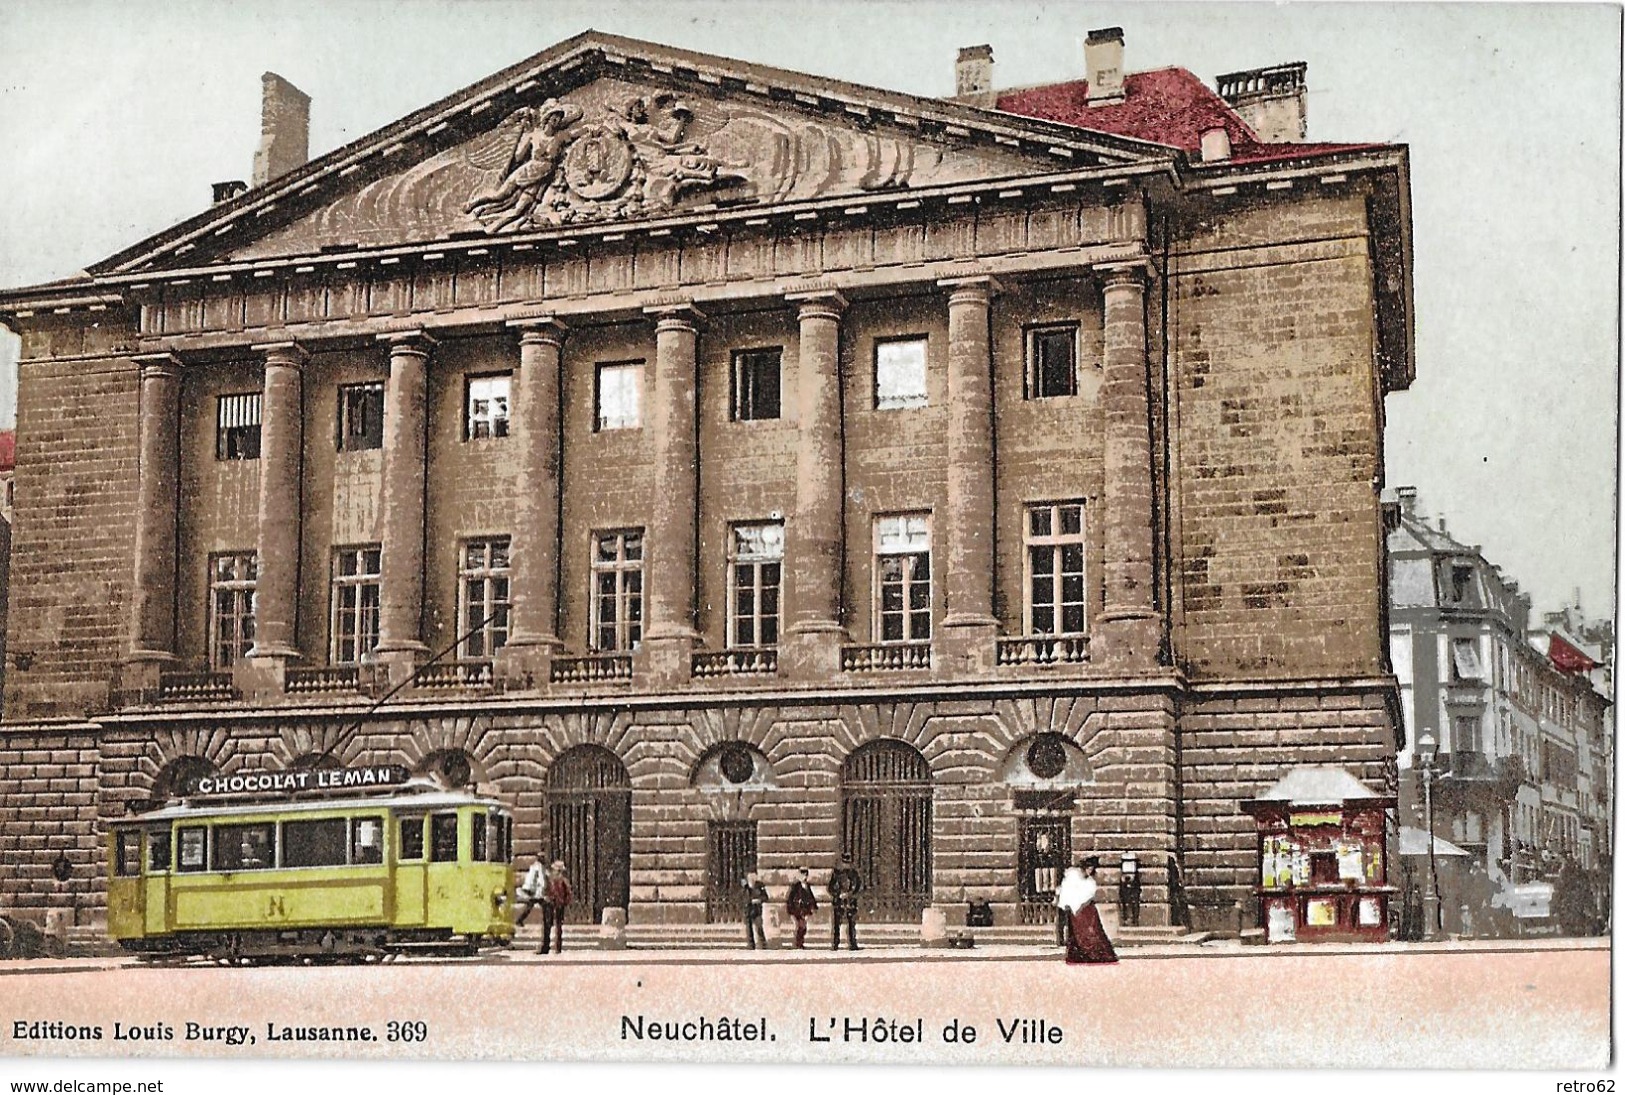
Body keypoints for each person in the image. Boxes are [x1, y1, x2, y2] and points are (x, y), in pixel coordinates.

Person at [1057, 857, 1118, 965]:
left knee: (1093, 930)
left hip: (1087, 909)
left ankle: (1095, 954)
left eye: (1092, 869)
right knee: (1078, 932)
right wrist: (1069, 905)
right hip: (1075, 908)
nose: (1090, 871)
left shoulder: (1090, 882)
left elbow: (1089, 895)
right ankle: (1079, 955)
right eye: (1088, 868)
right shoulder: (1073, 876)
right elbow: (1067, 891)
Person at [827, 856, 863, 951]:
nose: (846, 865)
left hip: (850, 901)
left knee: (851, 924)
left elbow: (858, 887)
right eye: (844, 862)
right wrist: (838, 894)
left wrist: (850, 894)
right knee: (837, 924)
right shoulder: (836, 874)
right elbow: (830, 888)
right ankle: (835, 943)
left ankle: (852, 943)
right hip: (839, 902)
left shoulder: (854, 875)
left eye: (848, 862)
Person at [539, 859, 572, 955]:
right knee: (548, 926)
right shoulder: (550, 880)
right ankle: (547, 946)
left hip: (558, 904)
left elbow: (568, 894)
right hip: (551, 903)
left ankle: (557, 947)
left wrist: (563, 902)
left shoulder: (562, 882)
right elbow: (545, 890)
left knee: (557, 926)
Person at [786, 867, 818, 949]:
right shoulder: (795, 886)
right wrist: (790, 909)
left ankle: (800, 942)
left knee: (803, 927)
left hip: (805, 909)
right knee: (801, 926)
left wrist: (814, 906)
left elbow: (811, 896)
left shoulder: (807, 885)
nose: (804, 876)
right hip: (798, 909)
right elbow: (791, 898)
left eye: (806, 875)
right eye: (803, 874)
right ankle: (799, 943)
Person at [514, 856, 547, 927]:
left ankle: (519, 920)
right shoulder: (540, 867)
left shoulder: (533, 866)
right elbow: (541, 880)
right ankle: (547, 921)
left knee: (530, 905)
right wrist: (544, 888)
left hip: (528, 887)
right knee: (545, 905)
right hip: (533, 890)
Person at [743, 871, 769, 949]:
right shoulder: (745, 887)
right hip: (748, 910)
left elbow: (765, 897)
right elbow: (742, 898)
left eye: (753, 877)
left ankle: (763, 944)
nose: (751, 879)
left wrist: (759, 900)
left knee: (759, 927)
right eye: (750, 878)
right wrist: (750, 901)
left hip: (757, 910)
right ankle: (751, 945)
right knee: (749, 928)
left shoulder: (760, 886)